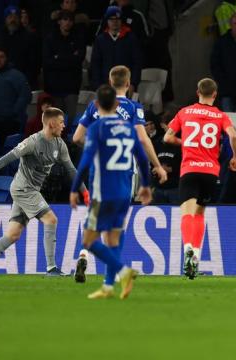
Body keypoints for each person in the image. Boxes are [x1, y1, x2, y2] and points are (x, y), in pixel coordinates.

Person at [0, 107, 89, 277]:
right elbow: (7, 158)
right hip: (23, 189)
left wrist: (85, 193)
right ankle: (51, 269)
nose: (64, 125)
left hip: (30, 190)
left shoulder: (60, 144)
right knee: (51, 219)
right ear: (51, 124)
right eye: (61, 122)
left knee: (12, 235)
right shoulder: (32, 142)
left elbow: (72, 170)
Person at [70, 84, 151, 300]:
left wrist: (74, 188)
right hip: (124, 191)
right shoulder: (128, 127)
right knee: (113, 239)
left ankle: (124, 272)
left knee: (89, 241)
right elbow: (142, 159)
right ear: (116, 104)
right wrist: (145, 185)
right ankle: (107, 286)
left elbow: (85, 161)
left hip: (102, 191)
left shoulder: (96, 128)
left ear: (96, 104)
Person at [164, 78, 236, 279]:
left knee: (187, 214)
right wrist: (235, 157)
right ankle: (195, 257)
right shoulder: (220, 115)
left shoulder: (184, 112)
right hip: (210, 172)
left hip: (189, 170)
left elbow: (167, 138)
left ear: (198, 92)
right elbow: (233, 136)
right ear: (215, 95)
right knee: (199, 214)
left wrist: (186, 142)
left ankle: (188, 248)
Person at [72, 65, 167, 184]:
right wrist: (157, 165)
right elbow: (143, 139)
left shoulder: (94, 105)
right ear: (128, 83)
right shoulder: (134, 107)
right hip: (123, 168)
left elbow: (77, 138)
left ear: (110, 82)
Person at [0, 47, 31, 144]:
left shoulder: (16, 76)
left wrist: (14, 111)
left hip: (7, 122)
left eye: (1, 57)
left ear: (6, 58)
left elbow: (25, 95)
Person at [42, 10, 86, 121]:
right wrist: (70, 57)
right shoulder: (50, 39)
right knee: (56, 121)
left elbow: (78, 60)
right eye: (65, 19)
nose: (67, 22)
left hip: (72, 87)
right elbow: (48, 62)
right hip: (54, 87)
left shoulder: (78, 38)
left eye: (70, 20)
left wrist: (58, 57)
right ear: (59, 22)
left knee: (71, 120)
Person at [90, 6, 143, 91]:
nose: (114, 22)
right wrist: (97, 85)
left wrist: (133, 83)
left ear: (121, 21)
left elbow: (137, 62)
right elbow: (95, 64)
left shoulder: (131, 38)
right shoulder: (100, 40)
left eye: (117, 19)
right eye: (111, 19)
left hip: (125, 85)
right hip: (105, 86)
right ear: (107, 21)